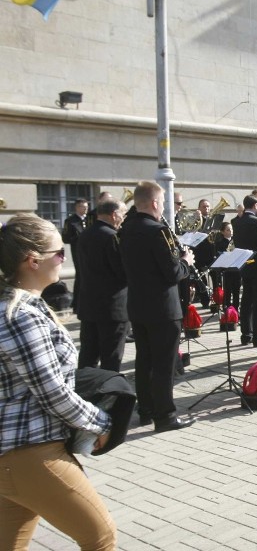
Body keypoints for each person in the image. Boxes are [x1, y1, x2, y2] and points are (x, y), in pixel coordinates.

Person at [0, 213, 117, 551]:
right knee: (101, 536)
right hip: (31, 452)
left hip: (15, 455)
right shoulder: (20, 316)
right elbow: (52, 392)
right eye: (59, 252)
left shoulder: (20, 308)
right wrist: (101, 422)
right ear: (32, 261)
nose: (65, 257)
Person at [120, 181, 196, 432]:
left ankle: (146, 410)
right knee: (164, 364)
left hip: (138, 305)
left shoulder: (126, 228)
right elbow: (172, 272)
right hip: (163, 308)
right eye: (162, 202)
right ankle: (166, 416)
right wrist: (185, 260)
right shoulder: (158, 231)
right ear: (154, 203)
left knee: (144, 361)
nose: (163, 207)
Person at [76, 198, 128, 372]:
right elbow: (122, 272)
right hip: (112, 309)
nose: (124, 218)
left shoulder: (86, 233)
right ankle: (109, 396)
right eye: (123, 214)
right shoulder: (112, 236)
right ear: (114, 215)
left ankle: (85, 392)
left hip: (89, 305)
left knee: (88, 357)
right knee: (111, 359)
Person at [231, 195, 257, 347]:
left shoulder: (236, 222)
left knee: (246, 299)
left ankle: (246, 334)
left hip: (245, 263)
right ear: (254, 205)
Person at [62, 197, 89, 314]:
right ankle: (77, 303)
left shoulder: (90, 219)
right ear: (77, 207)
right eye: (83, 207)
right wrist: (78, 237)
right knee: (80, 275)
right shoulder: (70, 221)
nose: (85, 209)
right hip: (78, 251)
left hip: (89, 251)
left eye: (87, 207)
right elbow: (66, 238)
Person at [212, 221, 240, 310]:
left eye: (231, 229)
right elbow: (219, 256)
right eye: (228, 230)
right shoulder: (220, 243)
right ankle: (226, 307)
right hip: (227, 270)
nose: (231, 231)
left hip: (236, 269)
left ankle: (235, 308)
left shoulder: (237, 241)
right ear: (223, 232)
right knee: (227, 290)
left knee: (236, 291)